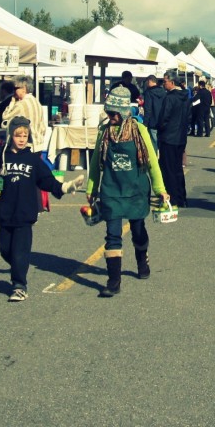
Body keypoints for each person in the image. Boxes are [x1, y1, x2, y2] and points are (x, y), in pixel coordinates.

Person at [86, 86, 168, 298]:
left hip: (136, 190)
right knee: (112, 234)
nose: (110, 117)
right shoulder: (104, 132)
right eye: (108, 112)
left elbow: (152, 162)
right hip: (111, 190)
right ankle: (114, 281)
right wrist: (91, 188)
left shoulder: (139, 130)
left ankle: (142, 258)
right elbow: (96, 161)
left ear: (123, 113)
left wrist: (160, 189)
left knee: (138, 230)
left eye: (113, 113)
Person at [0, 116, 82, 302]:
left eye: (25, 135)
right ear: (11, 136)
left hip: (25, 214)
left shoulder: (33, 159)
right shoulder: (2, 156)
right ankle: (17, 266)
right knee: (5, 249)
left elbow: (46, 181)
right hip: (6, 213)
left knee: (20, 252)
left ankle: (19, 286)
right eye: (18, 135)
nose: (22, 139)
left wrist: (64, 187)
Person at [156, 71, 191, 207]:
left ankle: (172, 198)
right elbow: (188, 117)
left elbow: (164, 118)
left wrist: (160, 128)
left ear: (172, 82)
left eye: (165, 81)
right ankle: (181, 197)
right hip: (181, 137)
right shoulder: (185, 97)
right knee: (177, 169)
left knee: (168, 169)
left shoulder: (169, 98)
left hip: (169, 137)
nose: (163, 84)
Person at [0, 75, 47, 150]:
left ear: (24, 88)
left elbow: (5, 119)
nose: (14, 91)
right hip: (38, 143)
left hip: (26, 145)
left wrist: (12, 102)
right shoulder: (36, 102)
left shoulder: (21, 104)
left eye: (15, 88)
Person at [141, 74, 167, 149]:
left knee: (153, 143)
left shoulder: (148, 92)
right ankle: (162, 158)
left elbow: (148, 109)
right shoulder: (163, 91)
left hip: (152, 122)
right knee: (161, 142)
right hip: (162, 121)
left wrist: (145, 123)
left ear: (150, 81)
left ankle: (155, 159)